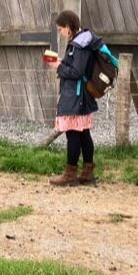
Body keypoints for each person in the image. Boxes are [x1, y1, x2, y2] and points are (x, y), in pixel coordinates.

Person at [48, 10, 101, 186]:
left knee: (73, 134)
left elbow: (77, 72)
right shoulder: (82, 42)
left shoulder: (79, 45)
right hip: (82, 94)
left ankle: (70, 174)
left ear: (68, 26)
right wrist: (63, 62)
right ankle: (87, 173)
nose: (60, 32)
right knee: (84, 133)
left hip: (76, 95)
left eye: (60, 29)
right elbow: (78, 68)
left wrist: (58, 66)